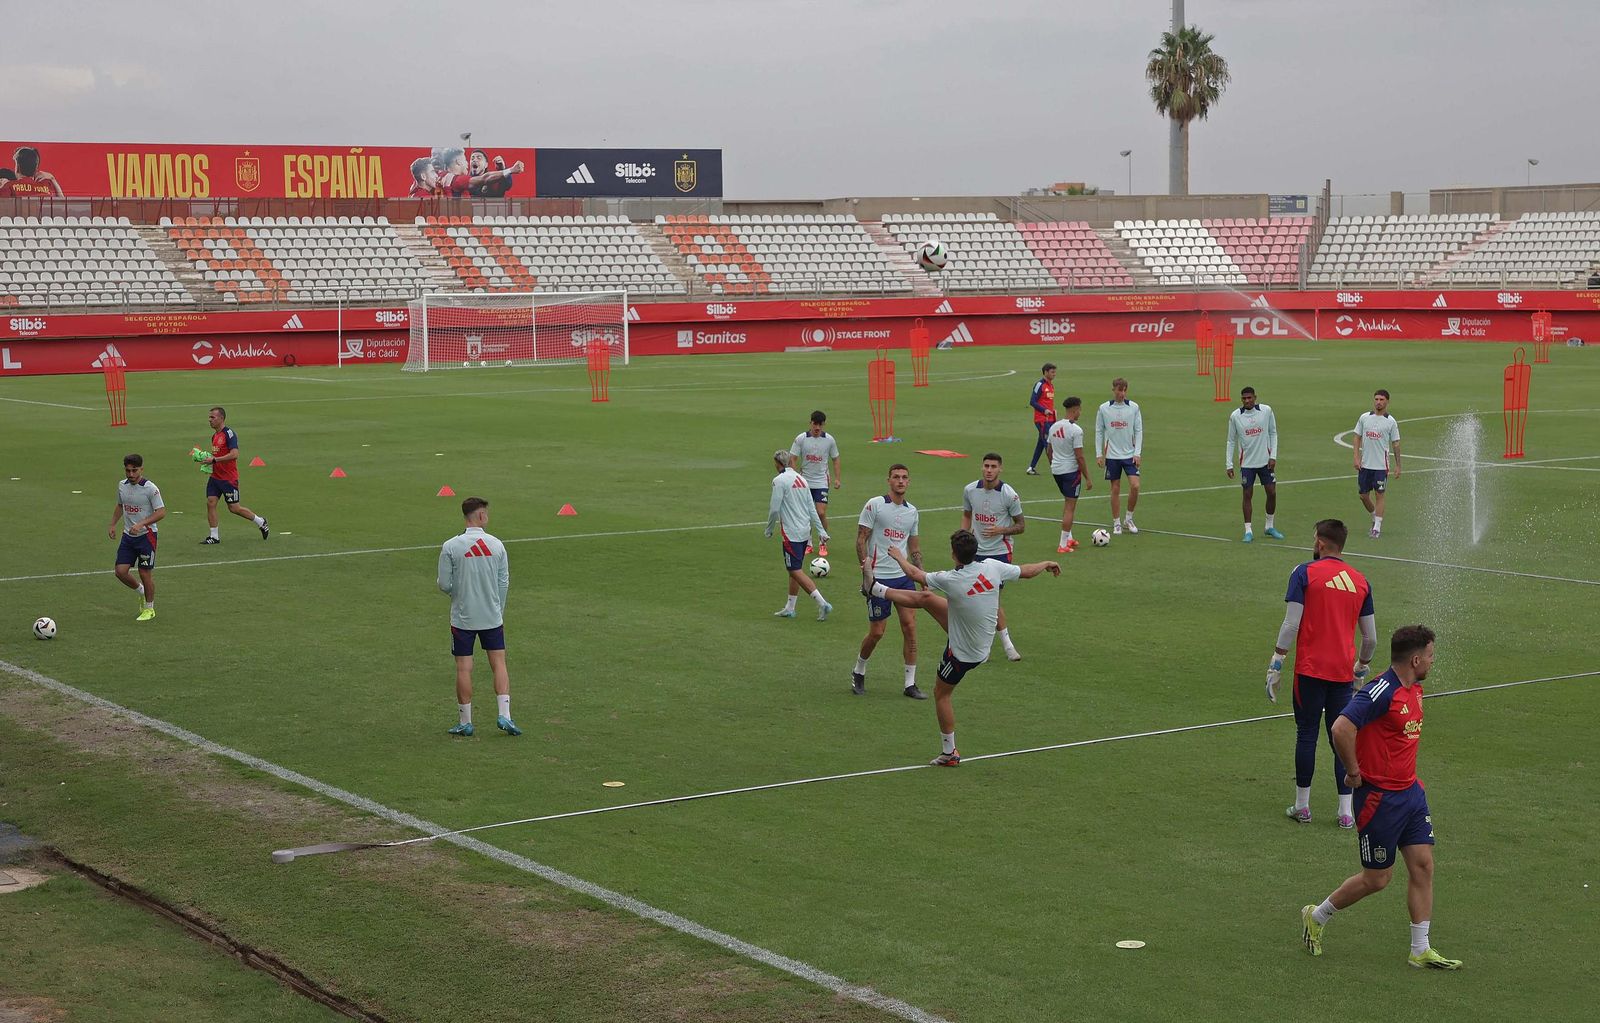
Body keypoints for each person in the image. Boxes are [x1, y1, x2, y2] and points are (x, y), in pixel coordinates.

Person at [1300, 624, 1462, 970]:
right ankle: (1317, 915)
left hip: (1411, 795)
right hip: (1379, 800)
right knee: (1378, 878)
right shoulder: (1380, 691)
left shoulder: (1414, 690)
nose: (1433, 663)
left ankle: (1420, 948)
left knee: (1423, 865)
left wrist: (1411, 779)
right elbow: (1341, 727)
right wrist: (1354, 772)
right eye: (1431, 656)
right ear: (1416, 658)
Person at [866, 532, 1060, 765]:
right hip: (978, 637)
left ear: (953, 554)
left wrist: (898, 556)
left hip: (963, 653)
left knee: (941, 693)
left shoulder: (951, 579)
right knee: (926, 599)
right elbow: (1026, 571)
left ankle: (950, 753)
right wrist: (1047, 563)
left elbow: (915, 574)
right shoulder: (992, 566)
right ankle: (875, 589)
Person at [1265, 518, 1377, 829]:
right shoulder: (1360, 580)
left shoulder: (1304, 573)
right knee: (1340, 737)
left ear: (1320, 543)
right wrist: (1361, 667)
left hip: (1310, 670)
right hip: (1342, 675)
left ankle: (1302, 807)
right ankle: (1345, 812)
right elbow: (1371, 638)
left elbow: (1291, 624)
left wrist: (1277, 662)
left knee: (1307, 734)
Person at [436, 497, 519, 737]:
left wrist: (458, 593)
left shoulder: (451, 546)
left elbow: (443, 584)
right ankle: (505, 715)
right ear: (481, 516)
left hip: (463, 617)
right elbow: (503, 581)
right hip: (492, 616)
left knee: (464, 668)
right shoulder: (496, 545)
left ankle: (466, 722)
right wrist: (498, 607)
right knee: (499, 663)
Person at [853, 464, 925, 699]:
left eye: (905, 477)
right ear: (889, 480)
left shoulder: (912, 512)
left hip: (904, 578)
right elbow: (861, 539)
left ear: (909, 481)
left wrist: (921, 575)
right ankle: (859, 670)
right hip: (879, 578)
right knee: (877, 632)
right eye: (896, 477)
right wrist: (866, 573)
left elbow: (913, 547)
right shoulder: (875, 505)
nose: (901, 481)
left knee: (910, 627)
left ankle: (910, 684)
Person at [960, 453, 1025, 661]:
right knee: (974, 599)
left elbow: (1021, 526)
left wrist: (1000, 530)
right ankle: (986, 645)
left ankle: (1005, 646)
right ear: (982, 467)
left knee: (991, 599)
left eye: (993, 466)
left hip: (999, 553)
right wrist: (963, 537)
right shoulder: (970, 490)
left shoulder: (1009, 495)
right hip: (974, 553)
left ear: (1000, 469)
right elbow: (967, 514)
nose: (989, 470)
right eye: (986, 466)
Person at [765, 450, 833, 621]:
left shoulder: (779, 480)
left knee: (794, 570)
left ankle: (822, 603)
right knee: (794, 571)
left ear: (778, 464)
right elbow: (811, 508)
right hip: (804, 532)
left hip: (791, 534)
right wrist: (822, 531)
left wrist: (769, 528)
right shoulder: (802, 479)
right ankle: (790, 607)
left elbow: (774, 509)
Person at [108, 454, 166, 622]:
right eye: (128, 470)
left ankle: (149, 608)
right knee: (120, 572)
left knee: (144, 572)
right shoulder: (122, 486)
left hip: (146, 536)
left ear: (141, 469)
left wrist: (142, 523)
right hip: (128, 536)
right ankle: (140, 590)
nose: (131, 474)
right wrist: (112, 524)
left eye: (135, 470)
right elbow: (121, 505)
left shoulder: (150, 488)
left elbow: (161, 512)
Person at [198, 406, 269, 544]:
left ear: (221, 418)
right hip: (215, 477)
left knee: (234, 508)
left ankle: (261, 521)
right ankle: (214, 536)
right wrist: (207, 459)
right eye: (209, 417)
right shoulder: (215, 436)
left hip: (228, 479)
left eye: (213, 417)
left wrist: (214, 459)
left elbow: (234, 454)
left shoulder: (229, 434)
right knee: (211, 503)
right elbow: (218, 455)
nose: (209, 420)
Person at [1225, 386, 1283, 543]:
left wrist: (1273, 456)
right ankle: (1248, 530)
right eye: (1244, 398)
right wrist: (1229, 464)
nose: (1247, 401)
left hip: (1265, 461)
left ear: (1255, 397)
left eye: (1249, 398)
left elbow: (1273, 433)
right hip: (1247, 464)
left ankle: (1269, 526)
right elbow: (1231, 440)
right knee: (1247, 494)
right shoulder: (1235, 416)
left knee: (1271, 492)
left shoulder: (1266, 411)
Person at [1095, 377, 1143, 535]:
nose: (1121, 393)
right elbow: (1099, 431)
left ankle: (1128, 518)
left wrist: (1137, 453)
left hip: (1130, 455)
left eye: (1124, 390)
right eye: (1119, 390)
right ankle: (1116, 522)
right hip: (1112, 455)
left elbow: (1138, 430)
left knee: (1135, 486)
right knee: (1115, 488)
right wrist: (1099, 454)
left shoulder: (1134, 407)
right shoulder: (1104, 408)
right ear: (1113, 390)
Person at [789, 410, 842, 556]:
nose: (817, 427)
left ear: (823, 425)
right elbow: (792, 458)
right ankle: (808, 543)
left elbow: (835, 458)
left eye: (820, 424)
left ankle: (822, 543)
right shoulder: (801, 438)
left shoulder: (829, 440)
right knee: (805, 515)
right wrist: (795, 477)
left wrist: (837, 478)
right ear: (810, 423)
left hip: (821, 481)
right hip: (804, 482)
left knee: (820, 512)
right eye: (815, 424)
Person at [1354, 389, 1402, 539]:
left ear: (1387, 401)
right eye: (1376, 399)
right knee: (1363, 495)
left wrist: (1398, 465)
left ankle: (1377, 528)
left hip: (1381, 466)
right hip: (1365, 464)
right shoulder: (1364, 418)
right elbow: (1357, 437)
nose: (1378, 402)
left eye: (1381, 399)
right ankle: (1375, 515)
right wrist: (1356, 457)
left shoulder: (1390, 422)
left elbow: (1396, 444)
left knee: (1379, 494)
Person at [1046, 396, 1092, 552]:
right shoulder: (1076, 430)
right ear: (1075, 409)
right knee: (1070, 507)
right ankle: (1062, 544)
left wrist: (1054, 464)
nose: (1080, 412)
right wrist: (1087, 478)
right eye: (1080, 409)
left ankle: (1069, 538)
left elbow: (1049, 450)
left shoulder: (1054, 426)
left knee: (1067, 503)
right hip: (1071, 472)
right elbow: (1079, 456)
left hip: (1056, 471)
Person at [433, 148, 523, 198]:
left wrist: (502, 169)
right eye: (469, 159)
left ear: (486, 164)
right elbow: (485, 178)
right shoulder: (460, 180)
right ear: (458, 162)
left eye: (479, 158)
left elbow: (506, 185)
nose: (470, 162)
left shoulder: (441, 176)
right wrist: (511, 170)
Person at [1024, 362, 1057, 476]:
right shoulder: (1039, 385)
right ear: (1046, 372)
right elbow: (1032, 401)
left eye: (1054, 372)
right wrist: (1044, 410)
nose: (1054, 374)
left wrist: (1053, 413)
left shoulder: (1051, 385)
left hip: (1050, 419)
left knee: (1041, 443)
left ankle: (1031, 467)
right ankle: (1055, 468)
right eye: (1052, 372)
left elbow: (1047, 402)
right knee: (1048, 443)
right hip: (1042, 420)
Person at [0, 146, 65, 198]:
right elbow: (62, 205)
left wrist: (3, 186)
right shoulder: (46, 185)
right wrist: (53, 179)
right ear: (36, 168)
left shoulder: (9, 186)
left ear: (18, 167)